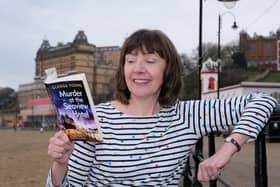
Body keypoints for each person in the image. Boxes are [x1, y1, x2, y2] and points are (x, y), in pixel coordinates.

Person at [46, 29, 278, 187]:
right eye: (130, 60)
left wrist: (227, 149)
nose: (138, 69)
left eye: (150, 61)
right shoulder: (92, 117)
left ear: (167, 70)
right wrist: (60, 163)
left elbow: (263, 100)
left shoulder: (186, 116)